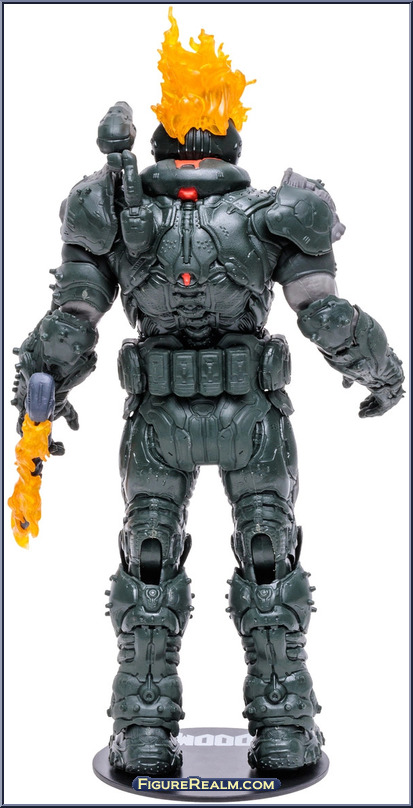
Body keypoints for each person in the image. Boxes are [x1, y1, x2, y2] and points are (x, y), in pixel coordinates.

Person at [10, 9, 404, 776]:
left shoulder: (112, 207)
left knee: (149, 561)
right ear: (230, 130)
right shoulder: (272, 212)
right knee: (267, 557)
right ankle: (283, 729)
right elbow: (323, 314)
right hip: (250, 417)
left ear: (162, 130)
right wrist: (381, 375)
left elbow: (69, 323)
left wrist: (35, 401)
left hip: (158, 421)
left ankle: (143, 731)